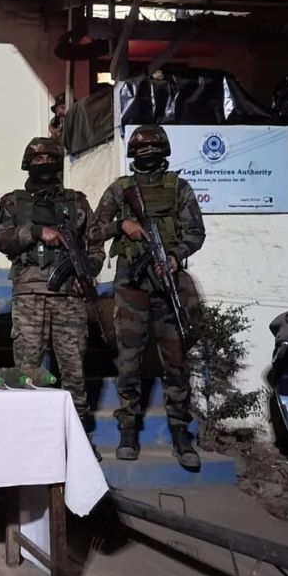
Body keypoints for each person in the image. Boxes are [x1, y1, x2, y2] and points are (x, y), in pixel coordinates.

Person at [86, 124, 206, 470]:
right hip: (131, 284)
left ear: (164, 152)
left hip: (168, 283)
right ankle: (128, 429)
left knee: (176, 360)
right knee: (129, 359)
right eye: (142, 149)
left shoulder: (179, 188)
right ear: (133, 154)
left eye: (154, 149)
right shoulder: (120, 189)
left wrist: (175, 254)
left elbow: (196, 232)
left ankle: (180, 431)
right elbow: (93, 230)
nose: (148, 154)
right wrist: (120, 226)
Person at [0, 137, 94, 427]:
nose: (45, 164)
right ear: (28, 164)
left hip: (70, 297)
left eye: (51, 159)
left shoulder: (77, 202)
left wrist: (86, 272)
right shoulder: (12, 203)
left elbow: (95, 243)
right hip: (29, 296)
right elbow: (1, 239)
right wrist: (36, 231)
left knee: (74, 371)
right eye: (38, 160)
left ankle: (77, 433)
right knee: (26, 371)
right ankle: (28, 431)